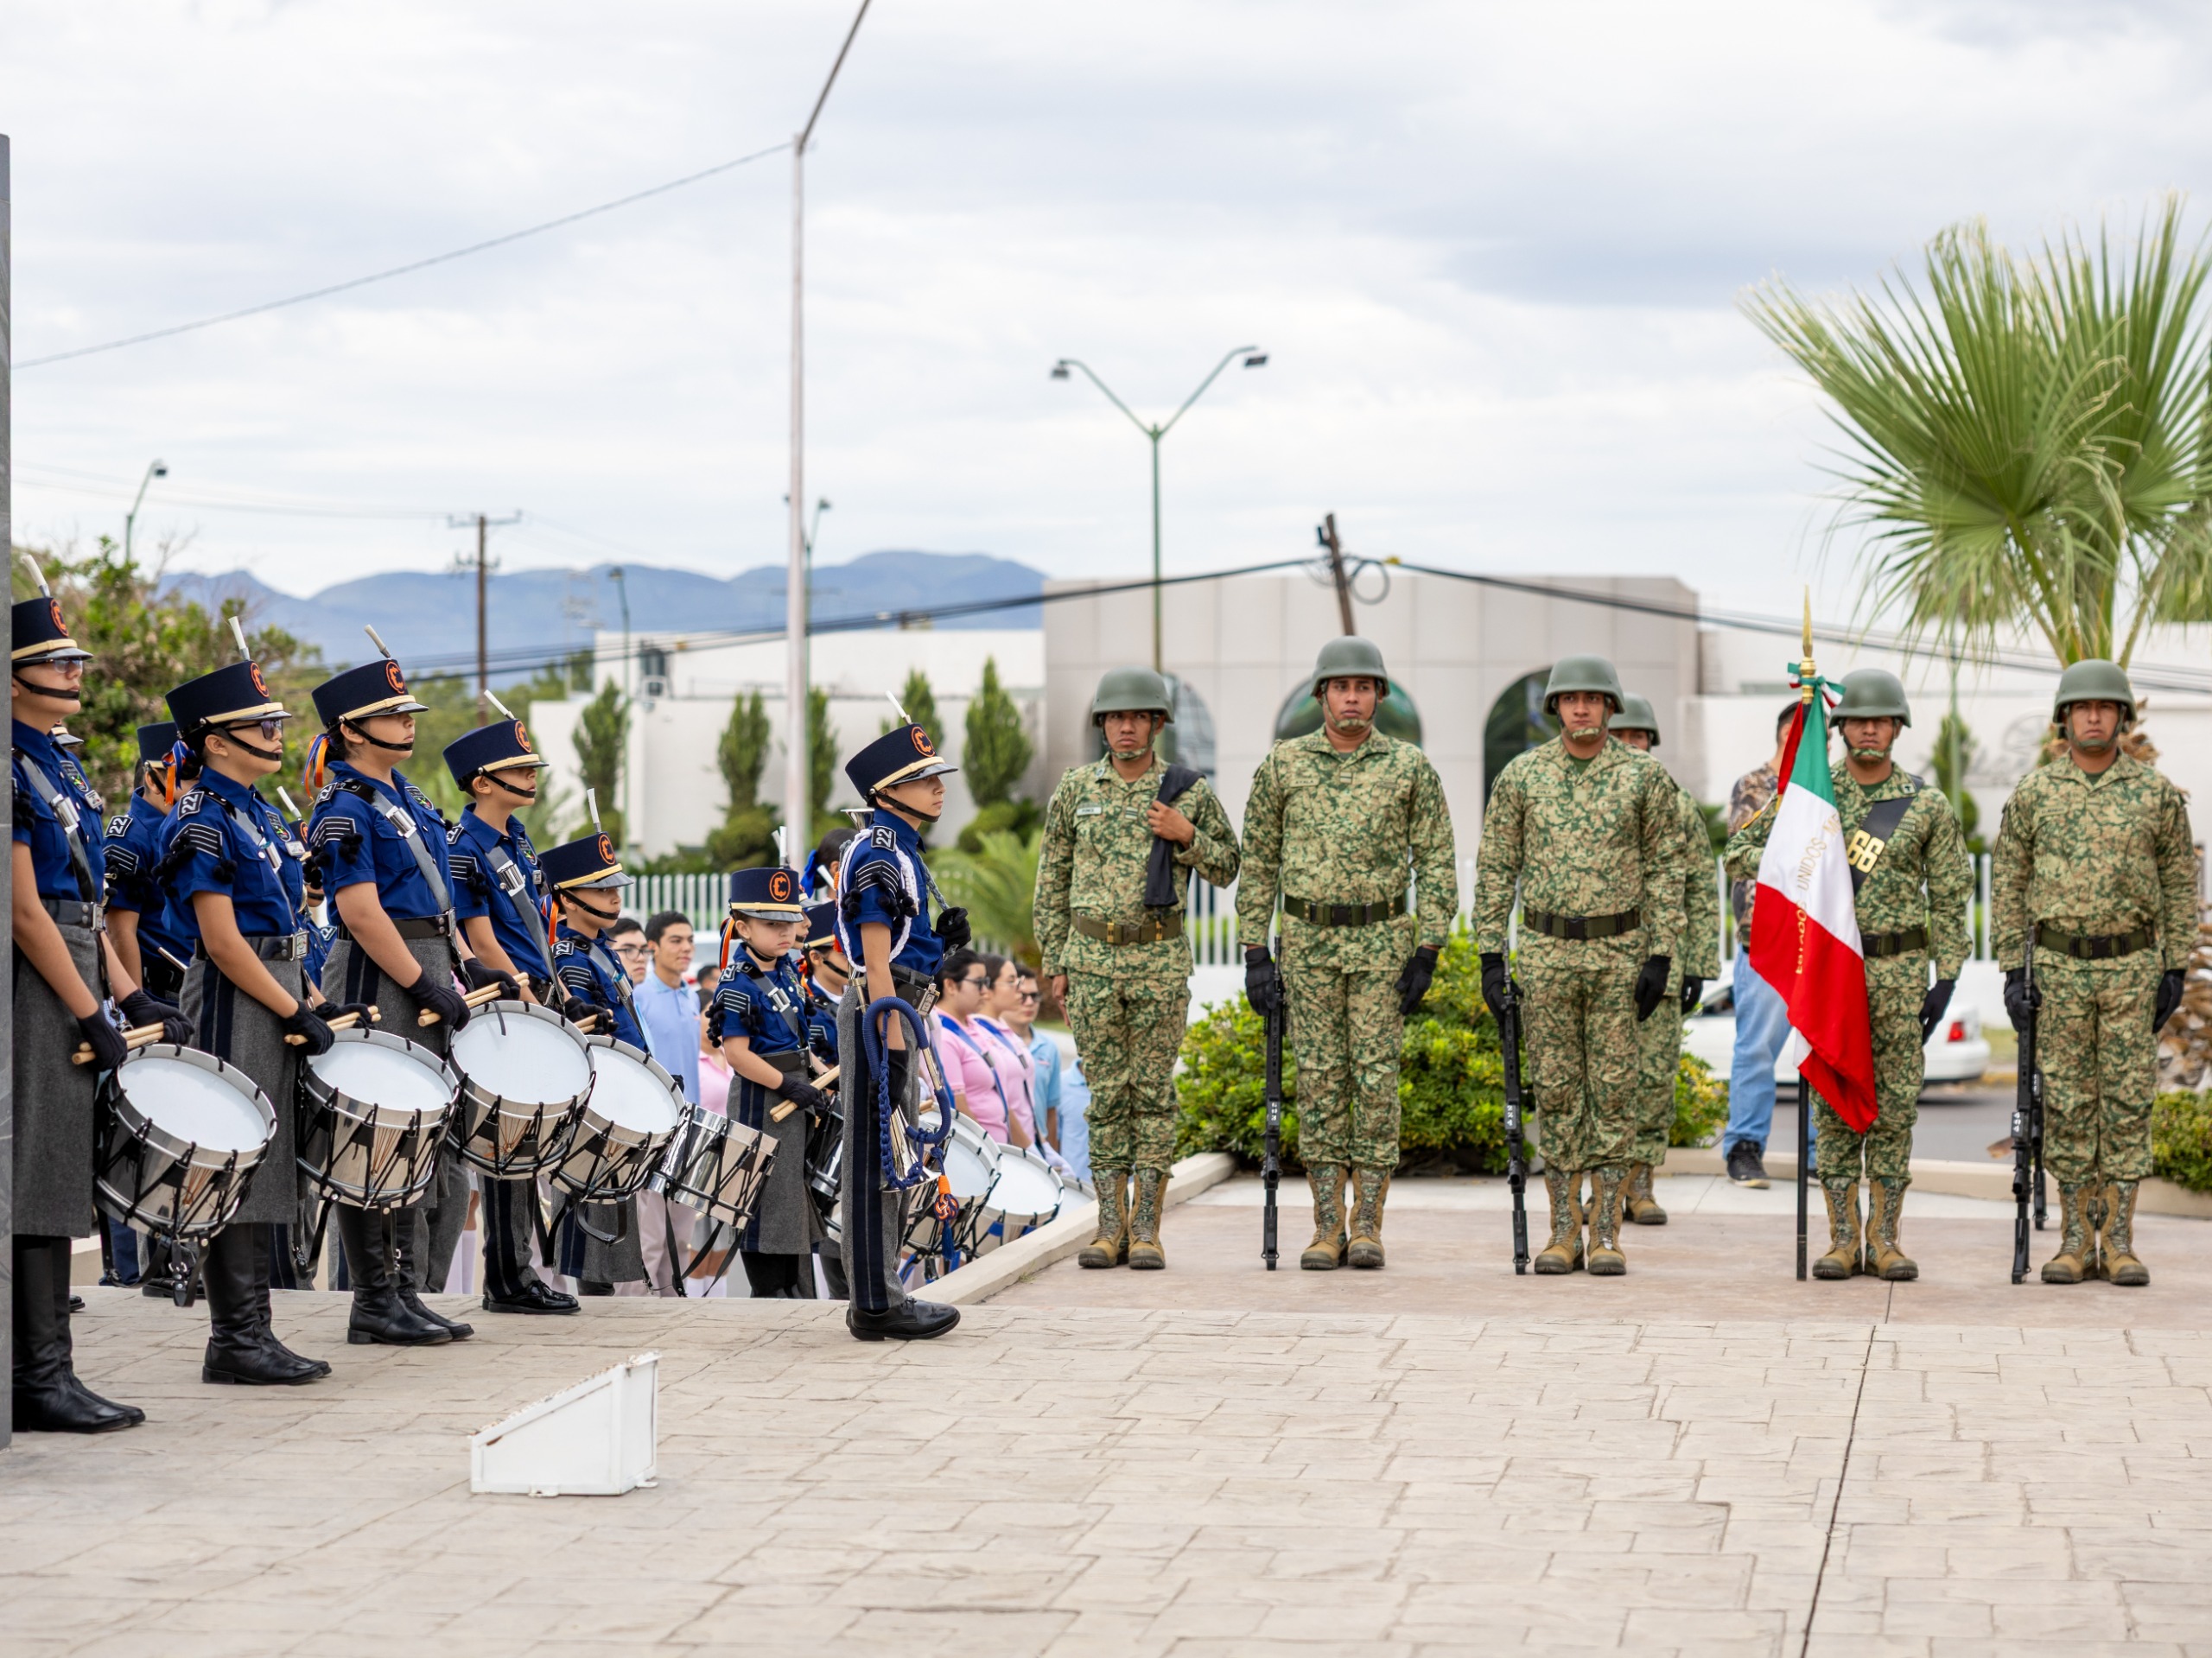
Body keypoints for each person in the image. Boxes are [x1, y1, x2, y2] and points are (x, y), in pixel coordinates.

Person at [10, 589, 188, 1432]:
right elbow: (24, 910)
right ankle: (36, 1377)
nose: (76, 670)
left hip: (75, 967)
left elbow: (89, 900)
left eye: (78, 659)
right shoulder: (11, 765)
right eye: (57, 661)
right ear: (13, 680)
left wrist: (127, 990)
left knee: (58, 1173)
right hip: (36, 982)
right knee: (38, 1171)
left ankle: (52, 1371)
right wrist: (89, 1010)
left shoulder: (58, 762)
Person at [1727, 670, 1972, 1280]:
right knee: (1834, 1107)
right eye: (1858, 719)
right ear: (1838, 728)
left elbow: (1950, 894)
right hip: (1831, 974)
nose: (1869, 728)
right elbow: (1738, 852)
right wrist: (1793, 851)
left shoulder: (1925, 804)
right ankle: (1841, 1238)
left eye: (1881, 719)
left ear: (1897, 727)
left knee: (1892, 1110)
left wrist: (1947, 977)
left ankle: (1884, 1238)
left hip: (1899, 972)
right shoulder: (1813, 796)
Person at [158, 655, 350, 1383]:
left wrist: (306, 992)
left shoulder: (254, 809)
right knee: (235, 1156)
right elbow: (221, 940)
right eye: (259, 725)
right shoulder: (204, 814)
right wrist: (291, 1005)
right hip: (238, 994)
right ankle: (234, 1338)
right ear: (214, 741)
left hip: (271, 985)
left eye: (275, 722)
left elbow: (281, 925)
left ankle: (253, 1330)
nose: (277, 733)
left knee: (264, 1161)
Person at [1239, 638, 1453, 1273]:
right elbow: (1259, 863)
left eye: (1364, 685)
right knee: (1322, 1083)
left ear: (1380, 695)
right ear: (1321, 694)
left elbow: (1437, 858)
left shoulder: (1409, 767)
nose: (1352, 696)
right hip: (1307, 945)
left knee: (1377, 1083)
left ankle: (1368, 1226)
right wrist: (1256, 948)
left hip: (1383, 942)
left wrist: (1430, 946)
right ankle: (1326, 1226)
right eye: (1341, 686)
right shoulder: (1283, 765)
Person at [305, 642, 495, 1344]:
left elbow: (437, 900)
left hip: (424, 958)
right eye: (391, 714)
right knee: (375, 1132)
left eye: (408, 711)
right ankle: (372, 1298)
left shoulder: (405, 794)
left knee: (415, 1134)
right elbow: (357, 910)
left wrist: (460, 963)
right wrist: (420, 980)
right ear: (352, 729)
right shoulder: (344, 804)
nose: (408, 723)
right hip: (378, 972)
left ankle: (404, 1289)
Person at [1472, 654, 1684, 1276]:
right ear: (1556, 707)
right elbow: (1495, 868)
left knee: (1615, 1096)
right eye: (1571, 698)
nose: (1583, 707)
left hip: (1620, 955)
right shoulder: (1522, 776)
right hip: (1546, 954)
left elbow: (1667, 869)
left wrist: (1661, 954)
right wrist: (1491, 952)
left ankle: (1609, 1235)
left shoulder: (1644, 778)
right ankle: (1563, 1233)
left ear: (1612, 707)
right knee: (1560, 1095)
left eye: (1594, 698)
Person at [1992, 659, 2196, 1286]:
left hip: (2132, 967)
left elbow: (2179, 882)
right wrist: (2011, 967)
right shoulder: (2035, 793)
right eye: (2082, 707)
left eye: (2106, 707)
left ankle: (2123, 1243)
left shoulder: (2155, 794)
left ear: (2123, 718)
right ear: (2064, 717)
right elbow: (2009, 881)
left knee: (2128, 1103)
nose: (2094, 716)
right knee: (2073, 1105)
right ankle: (2077, 1243)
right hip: (2058, 968)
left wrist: (2175, 964)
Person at [1037, 664, 1240, 1271]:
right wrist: (1057, 961)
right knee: (1105, 1095)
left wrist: (1187, 835)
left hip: (1157, 958)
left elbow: (1229, 865)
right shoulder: (1075, 789)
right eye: (1115, 717)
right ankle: (1108, 1226)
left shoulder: (1187, 791)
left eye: (1137, 717)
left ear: (1156, 723)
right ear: (1103, 724)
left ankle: (1147, 1227)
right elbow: (1052, 882)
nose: (1126, 727)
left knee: (1152, 1093)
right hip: (1092, 961)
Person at [832, 723, 969, 1340]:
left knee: (891, 1155)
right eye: (922, 779)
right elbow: (875, 953)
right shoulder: (882, 851)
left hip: (895, 1011)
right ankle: (876, 1302)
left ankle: (880, 1293)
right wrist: (887, 1026)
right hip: (880, 1012)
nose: (938, 788)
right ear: (888, 792)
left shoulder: (902, 847)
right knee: (874, 1159)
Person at [442, 715, 579, 1316]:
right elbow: (479, 935)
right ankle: (507, 1278)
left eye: (530, 768)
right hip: (505, 1002)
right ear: (481, 783)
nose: (531, 778)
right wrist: (523, 996)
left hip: (537, 996)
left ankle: (520, 1269)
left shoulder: (518, 840)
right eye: (518, 770)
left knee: (530, 1142)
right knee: (506, 1142)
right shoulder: (465, 847)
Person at [1607, 695, 1722, 1225]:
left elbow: (1700, 886)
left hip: (1665, 965)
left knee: (1653, 1082)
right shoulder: (1595, 798)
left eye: (1640, 738)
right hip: (1605, 963)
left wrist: (1698, 962)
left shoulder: (1677, 804)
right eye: (1623, 737)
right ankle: (1603, 1187)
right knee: (1603, 1083)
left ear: (1652, 742)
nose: (1632, 746)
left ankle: (1641, 1186)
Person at [710, 868, 833, 1298]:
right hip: (763, 1099)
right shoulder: (738, 981)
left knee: (791, 1194)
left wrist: (818, 1074)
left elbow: (800, 1040)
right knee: (766, 1194)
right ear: (743, 927)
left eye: (789, 922)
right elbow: (737, 1054)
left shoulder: (786, 971)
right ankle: (770, 1290)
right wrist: (789, 1085)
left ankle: (791, 1286)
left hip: (792, 1089)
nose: (785, 932)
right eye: (772, 924)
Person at [543, 829, 651, 1292]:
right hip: (598, 1103)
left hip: (623, 1095)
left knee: (611, 1219)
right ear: (566, 899)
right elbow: (587, 1039)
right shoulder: (570, 958)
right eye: (600, 889)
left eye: (614, 888)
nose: (612, 897)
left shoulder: (601, 949)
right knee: (593, 1229)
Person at [1723, 703, 1800, 1188]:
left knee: (1822, 1049)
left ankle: (1821, 1150)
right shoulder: (1755, 787)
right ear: (1783, 733)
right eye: (1801, 732)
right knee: (1756, 1050)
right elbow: (1743, 850)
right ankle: (1745, 1147)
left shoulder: (1832, 789)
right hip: (1766, 937)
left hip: (1819, 939)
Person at [631, 908, 700, 1297]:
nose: (686, 948)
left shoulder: (690, 995)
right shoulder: (641, 997)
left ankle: (674, 1311)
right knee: (651, 1237)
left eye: (689, 940)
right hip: (656, 1126)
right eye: (676, 940)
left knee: (681, 1236)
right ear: (653, 946)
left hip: (690, 1126)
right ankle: (636, 1315)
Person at [105, 721, 192, 1001]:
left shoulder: (193, 825)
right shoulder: (130, 837)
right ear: (154, 781)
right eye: (187, 776)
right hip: (163, 994)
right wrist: (135, 1006)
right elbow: (120, 932)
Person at [935, 950, 1034, 1146]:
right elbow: (958, 1108)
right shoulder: (944, 1035)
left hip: (999, 1146)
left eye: (987, 984)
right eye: (979, 983)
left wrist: (1029, 1148)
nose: (984, 991)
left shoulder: (973, 1027)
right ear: (951, 985)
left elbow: (1002, 1097)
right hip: (978, 1152)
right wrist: (988, 1151)